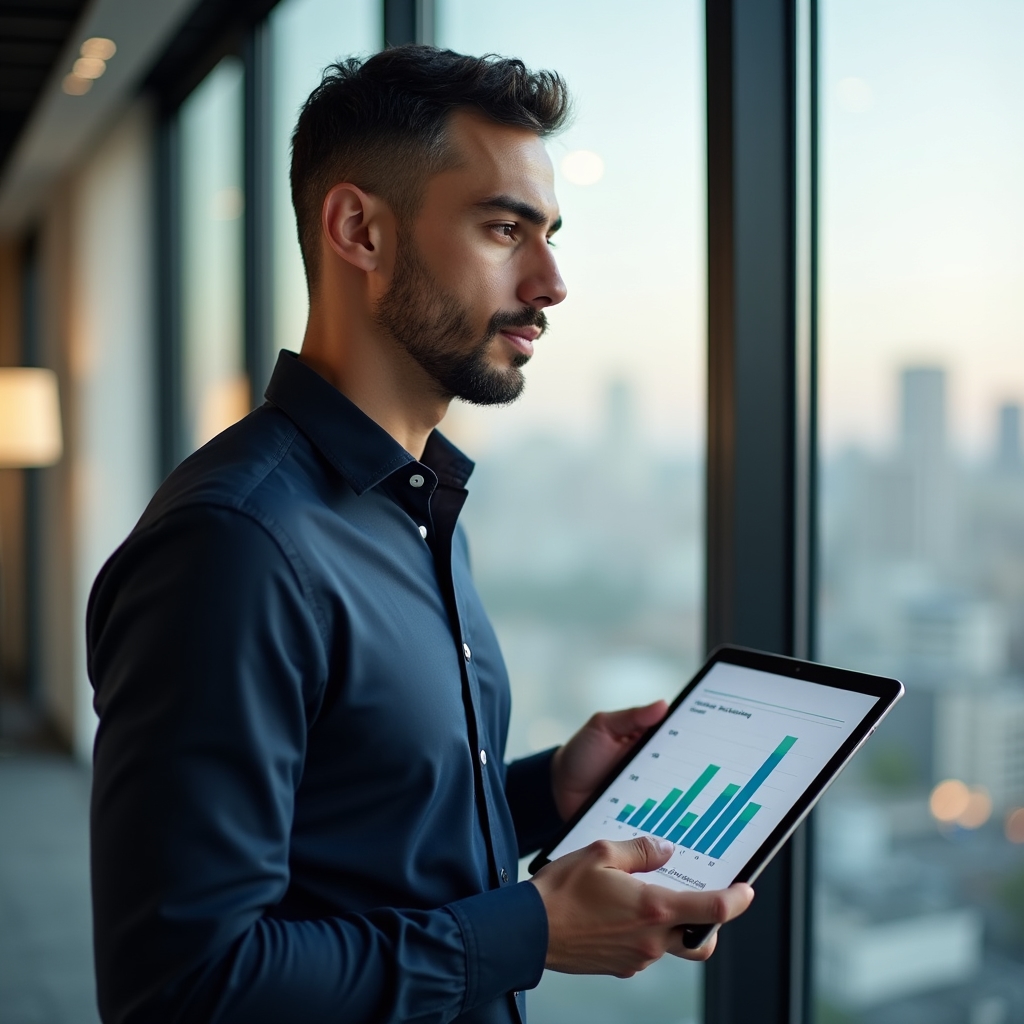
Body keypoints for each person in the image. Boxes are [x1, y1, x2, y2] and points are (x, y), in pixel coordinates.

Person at [87, 45, 753, 1024]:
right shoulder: (235, 548)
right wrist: (530, 930)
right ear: (358, 229)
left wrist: (540, 796)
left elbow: (355, 826)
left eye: (551, 233)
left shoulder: (416, 498)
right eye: (503, 228)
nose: (552, 280)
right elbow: (181, 986)